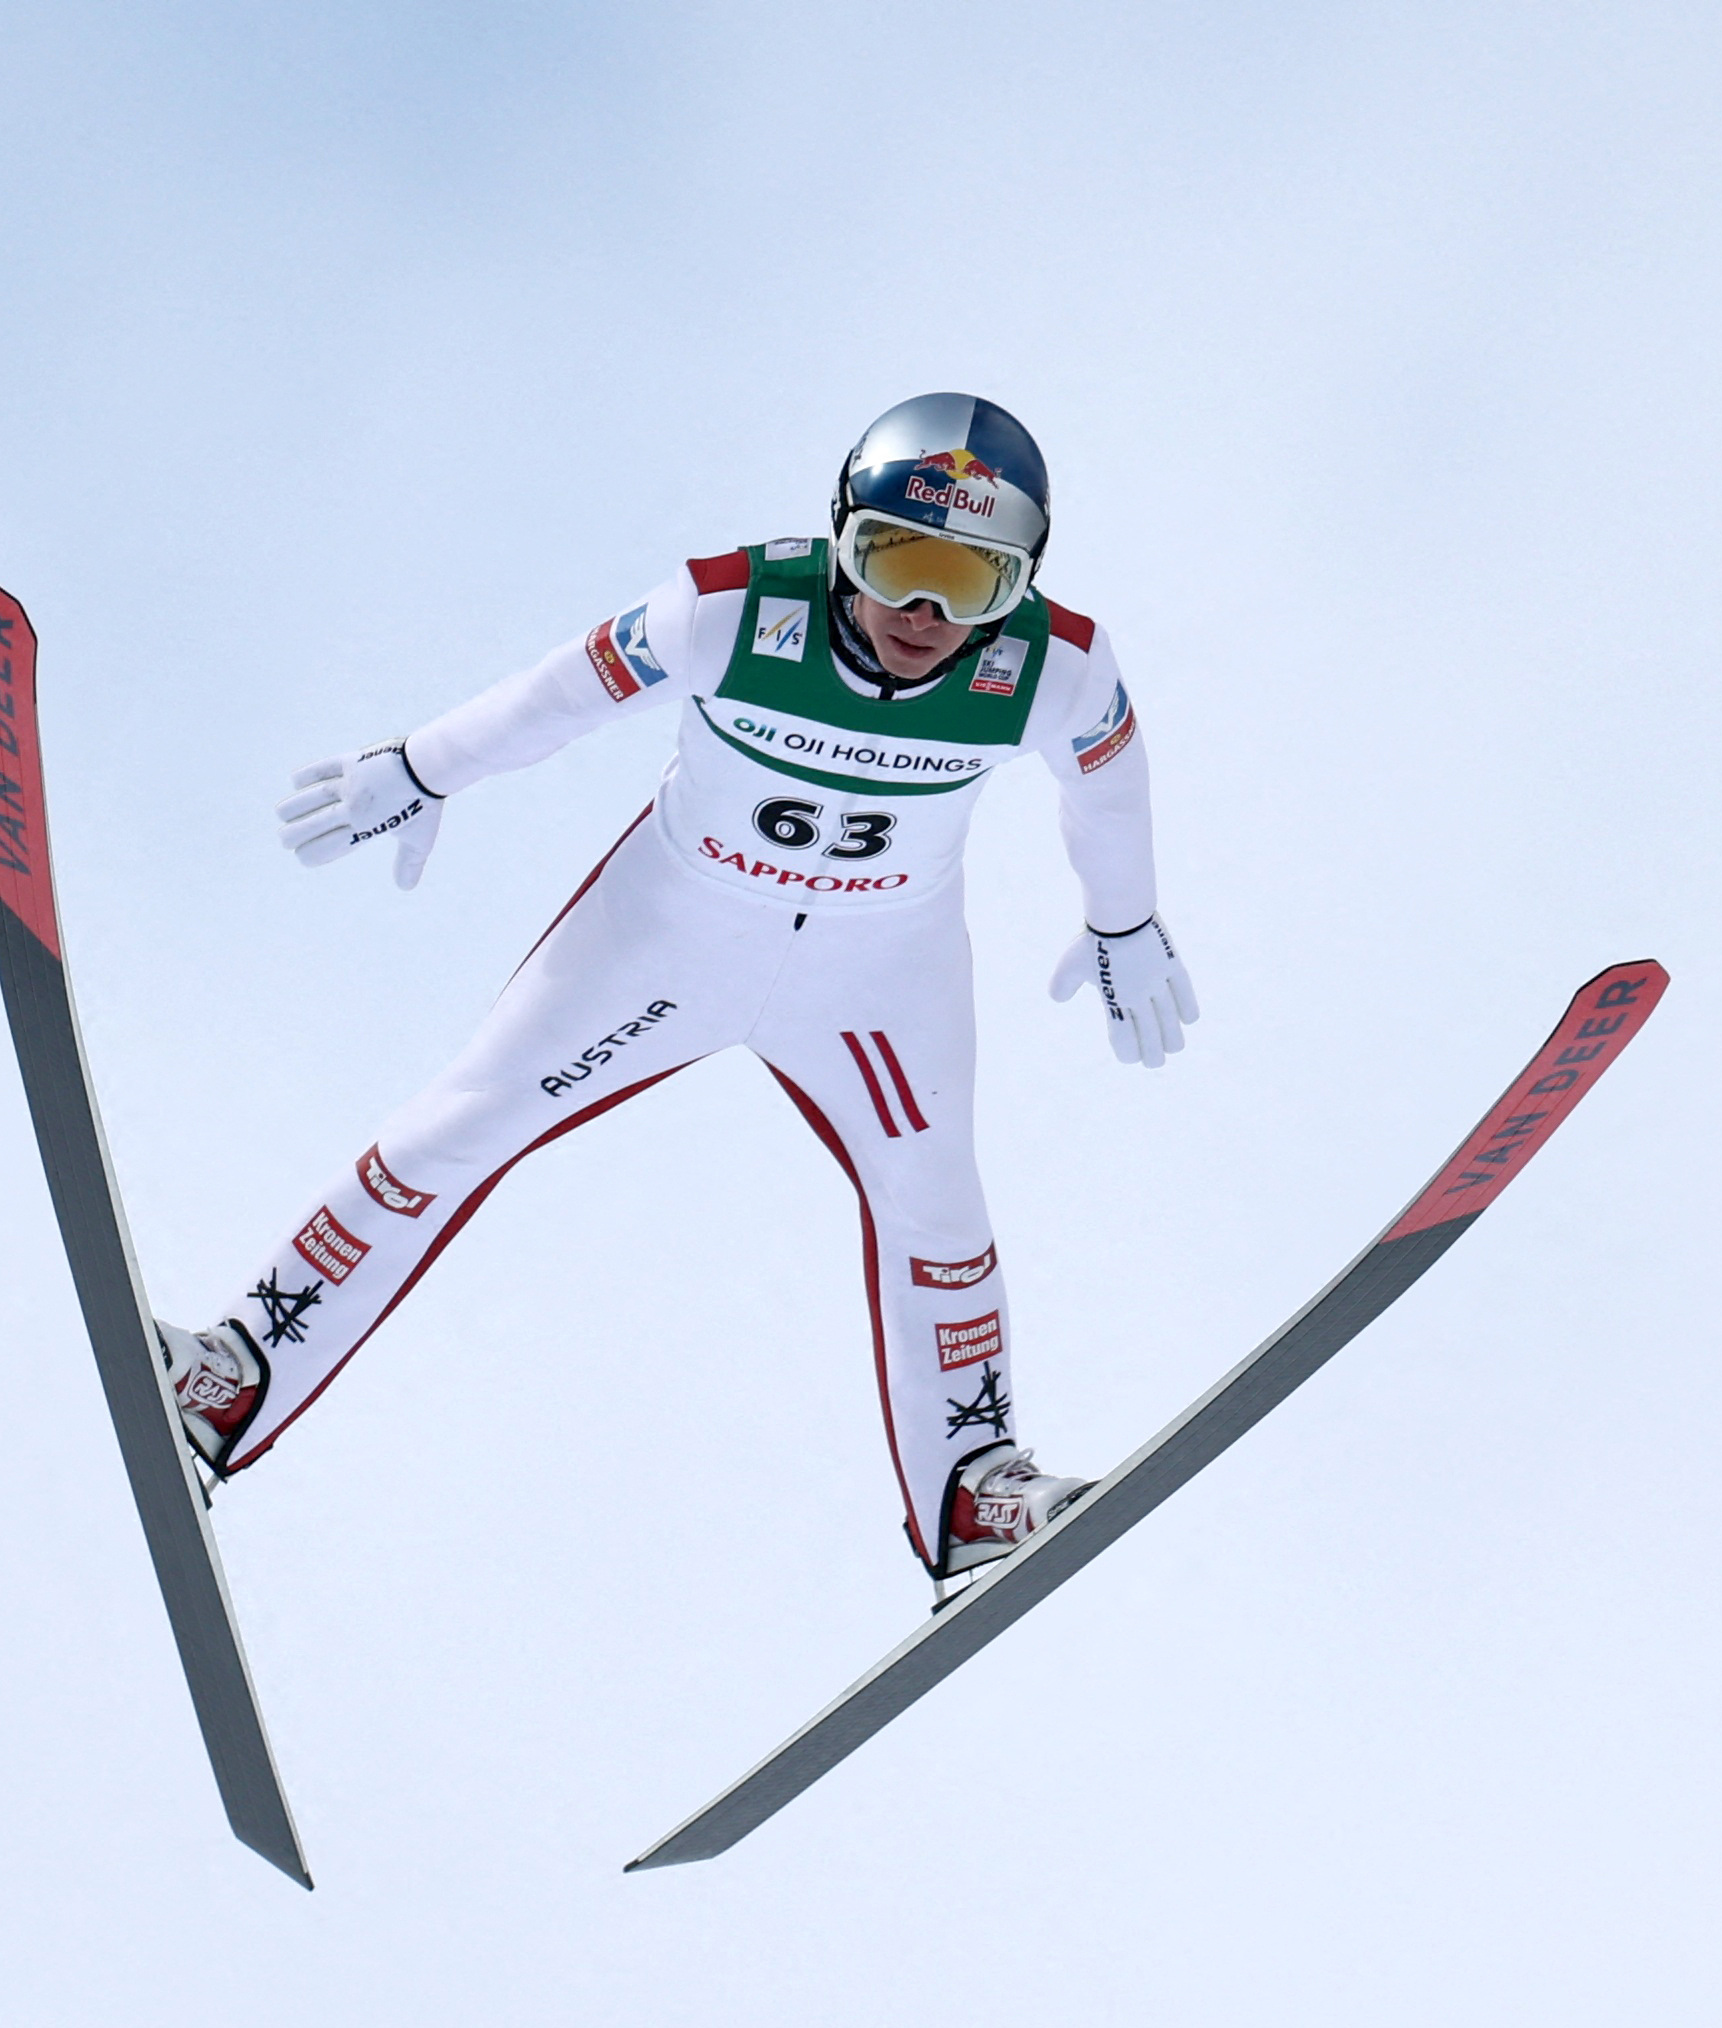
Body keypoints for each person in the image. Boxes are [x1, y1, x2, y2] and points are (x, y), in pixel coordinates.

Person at [158, 393, 1197, 1598]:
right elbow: (556, 697)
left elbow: (1107, 787)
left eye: (972, 584)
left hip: (878, 972)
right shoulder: (729, 608)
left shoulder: (1056, 667)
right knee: (456, 1127)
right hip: (670, 930)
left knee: (938, 1207)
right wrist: (420, 767)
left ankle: (972, 1495)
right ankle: (231, 1372)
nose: (923, 613)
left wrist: (1124, 917)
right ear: (838, 538)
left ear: (1022, 586)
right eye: (895, 561)